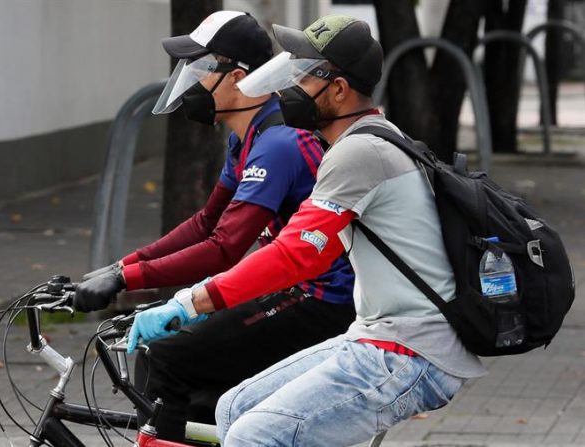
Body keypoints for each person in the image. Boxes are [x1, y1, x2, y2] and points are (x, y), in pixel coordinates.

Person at [128, 14, 487, 447]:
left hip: (410, 354)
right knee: (231, 409)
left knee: (252, 436)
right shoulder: (364, 140)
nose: (285, 89)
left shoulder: (359, 152)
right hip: (377, 338)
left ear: (337, 89)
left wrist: (190, 302)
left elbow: (296, 254)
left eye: (301, 75)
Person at [74, 11, 355, 441]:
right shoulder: (249, 136)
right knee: (197, 395)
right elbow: (206, 222)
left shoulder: (278, 144)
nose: (189, 79)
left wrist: (126, 277)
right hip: (295, 290)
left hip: (325, 302)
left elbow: (224, 246)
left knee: (167, 360)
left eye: (201, 68)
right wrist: (120, 267)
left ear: (239, 78)